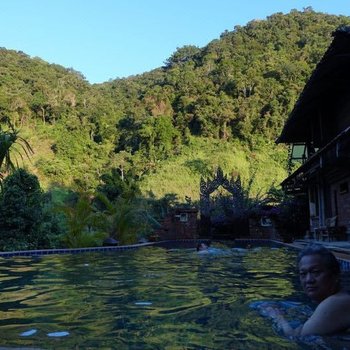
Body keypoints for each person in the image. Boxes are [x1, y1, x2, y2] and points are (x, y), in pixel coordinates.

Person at [264, 244, 350, 337]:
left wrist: (278, 316)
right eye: (303, 274)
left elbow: (295, 337)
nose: (309, 280)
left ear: (335, 274)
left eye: (316, 272)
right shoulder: (341, 297)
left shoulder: (336, 303)